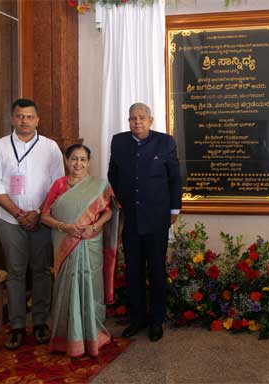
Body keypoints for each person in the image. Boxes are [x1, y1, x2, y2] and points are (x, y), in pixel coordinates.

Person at [0, 98, 65, 349]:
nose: (25, 121)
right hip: (9, 220)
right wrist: (20, 213)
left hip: (43, 219)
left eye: (30, 117)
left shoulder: (50, 147)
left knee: (42, 270)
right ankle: (17, 326)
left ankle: (40, 322)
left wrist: (39, 212)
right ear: (12, 119)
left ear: (37, 120)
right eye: (20, 116)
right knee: (16, 272)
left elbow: (58, 185)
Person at [108, 102, 182, 342]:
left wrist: (174, 209)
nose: (136, 122)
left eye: (141, 118)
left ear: (151, 120)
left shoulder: (165, 142)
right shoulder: (119, 142)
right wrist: (120, 201)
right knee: (133, 271)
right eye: (132, 118)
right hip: (130, 219)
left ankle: (156, 320)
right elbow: (113, 174)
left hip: (157, 219)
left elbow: (174, 178)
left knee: (157, 272)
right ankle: (137, 318)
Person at [40, 144, 120, 357]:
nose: (78, 164)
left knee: (89, 283)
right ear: (66, 161)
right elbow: (45, 215)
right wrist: (65, 227)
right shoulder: (58, 185)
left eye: (83, 159)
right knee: (68, 284)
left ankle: (93, 333)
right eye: (74, 159)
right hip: (66, 242)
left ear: (89, 162)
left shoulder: (99, 186)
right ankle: (68, 336)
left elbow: (109, 212)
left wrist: (94, 226)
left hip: (91, 241)